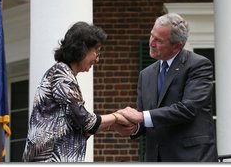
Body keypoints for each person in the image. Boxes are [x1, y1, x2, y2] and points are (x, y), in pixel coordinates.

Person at [22, 21, 135, 162]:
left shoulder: (63, 74)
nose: (97, 59)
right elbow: (86, 121)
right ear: (82, 48)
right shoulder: (61, 74)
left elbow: (78, 125)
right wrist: (118, 116)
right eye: (97, 52)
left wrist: (111, 126)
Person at [115, 13, 218, 162]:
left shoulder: (198, 65)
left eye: (158, 40)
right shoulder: (146, 74)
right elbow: (147, 119)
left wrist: (140, 116)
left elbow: (187, 109)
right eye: (151, 36)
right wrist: (132, 128)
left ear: (177, 46)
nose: (151, 43)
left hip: (191, 158)